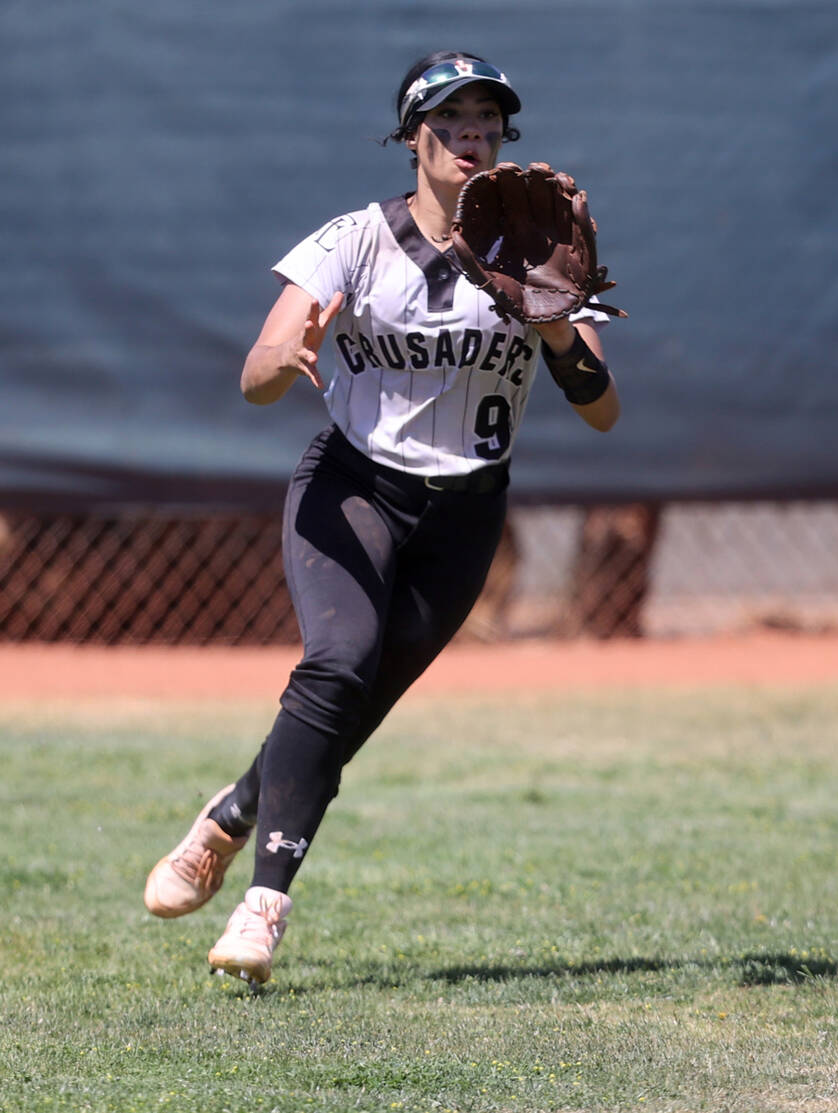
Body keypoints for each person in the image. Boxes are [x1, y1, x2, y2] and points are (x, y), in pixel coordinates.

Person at [143, 50, 621, 986]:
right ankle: (261, 908)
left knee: (349, 710)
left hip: (466, 515)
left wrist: (560, 324)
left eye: (489, 120)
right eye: (454, 120)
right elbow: (255, 376)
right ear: (416, 139)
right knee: (336, 664)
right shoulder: (356, 239)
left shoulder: (534, 249)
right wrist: (290, 353)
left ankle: (229, 816)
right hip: (353, 487)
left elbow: (604, 409)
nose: (475, 134)